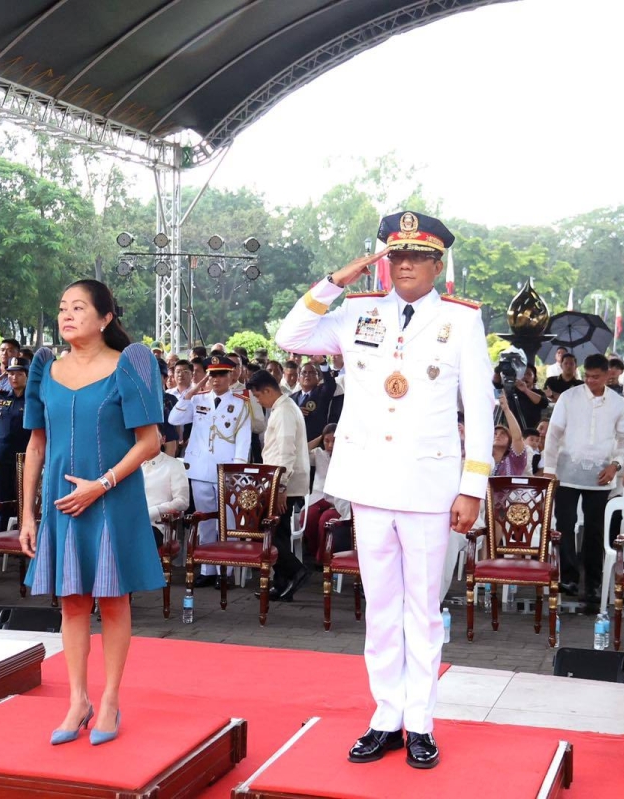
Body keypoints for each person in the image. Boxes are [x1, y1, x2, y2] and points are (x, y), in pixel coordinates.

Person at [276, 210, 494, 770]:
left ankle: (420, 722)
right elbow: (290, 335)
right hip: (370, 482)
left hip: (429, 485)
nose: (404, 267)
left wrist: (472, 486)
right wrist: (338, 280)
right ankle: (385, 716)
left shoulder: (462, 321)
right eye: (395, 256)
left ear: (437, 264)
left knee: (422, 610)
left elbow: (481, 409)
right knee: (379, 607)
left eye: (417, 257)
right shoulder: (357, 312)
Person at [19, 279, 164, 746]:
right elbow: (36, 445)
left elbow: (150, 442)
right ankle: (77, 699)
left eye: (78, 307)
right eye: (63, 307)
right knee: (73, 602)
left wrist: (101, 485)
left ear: (105, 318)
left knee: (113, 600)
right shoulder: (45, 368)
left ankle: (110, 700)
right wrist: (27, 513)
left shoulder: (128, 364)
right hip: (62, 506)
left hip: (113, 499)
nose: (67, 315)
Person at [541, 353, 624, 609]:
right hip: (567, 469)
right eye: (587, 376)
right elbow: (554, 434)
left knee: (594, 530)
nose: (591, 381)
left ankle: (592, 582)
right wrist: (549, 468)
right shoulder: (569, 397)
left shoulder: (618, 403)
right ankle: (568, 576)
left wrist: (616, 466)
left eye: (596, 377)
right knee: (565, 524)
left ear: (608, 375)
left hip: (601, 473)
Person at [168, 354, 252, 587]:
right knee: (204, 521)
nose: (216, 379)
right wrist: (193, 390)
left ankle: (227, 570)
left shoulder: (240, 402)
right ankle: (208, 569)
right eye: (212, 374)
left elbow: (243, 439)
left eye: (221, 374)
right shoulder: (198, 399)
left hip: (227, 470)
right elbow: (174, 418)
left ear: (230, 375)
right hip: (200, 469)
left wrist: (236, 470)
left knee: (228, 521)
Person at [246, 369, 311, 600]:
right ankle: (282, 582)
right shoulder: (282, 408)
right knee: (278, 531)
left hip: (283, 483)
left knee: (267, 530)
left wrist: (281, 487)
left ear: (267, 390)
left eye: (258, 396)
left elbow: (285, 452)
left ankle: (296, 570)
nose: (258, 401)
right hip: (278, 480)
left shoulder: (284, 410)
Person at [0, 355, 30, 529]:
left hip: (24, 455)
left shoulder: (34, 399)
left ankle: (19, 534)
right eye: (11, 374)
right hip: (0, 455)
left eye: (19, 374)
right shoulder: (0, 395)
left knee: (22, 497)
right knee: (1, 497)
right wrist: (0, 377)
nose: (14, 377)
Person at [302, 423, 352, 566]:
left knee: (325, 520)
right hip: (318, 496)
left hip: (336, 500)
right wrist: (320, 437)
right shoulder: (319, 454)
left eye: (334, 441)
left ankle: (323, 557)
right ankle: (313, 551)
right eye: (327, 441)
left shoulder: (346, 457)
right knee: (308, 517)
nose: (330, 445)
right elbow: (302, 452)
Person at [142, 432, 190, 547]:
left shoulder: (174, 465)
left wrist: (154, 511)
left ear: (163, 439)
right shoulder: (132, 465)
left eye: (153, 435)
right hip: (129, 522)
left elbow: (182, 502)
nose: (147, 440)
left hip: (156, 525)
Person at [291, 361, 336, 445]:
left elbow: (330, 383)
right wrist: (296, 412)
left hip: (316, 443)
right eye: (304, 372)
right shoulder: (291, 398)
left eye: (311, 372)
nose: (307, 375)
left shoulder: (322, 392)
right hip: (295, 443)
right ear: (298, 378)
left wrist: (322, 362)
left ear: (318, 378)